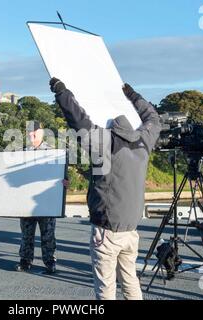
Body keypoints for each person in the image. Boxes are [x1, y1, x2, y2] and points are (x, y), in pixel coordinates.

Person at [49, 78, 161, 300]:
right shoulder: (143, 141)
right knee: (130, 280)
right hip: (131, 229)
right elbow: (153, 118)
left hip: (107, 229)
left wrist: (62, 93)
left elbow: (79, 122)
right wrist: (132, 94)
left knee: (105, 285)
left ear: (111, 127)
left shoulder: (106, 142)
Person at [15, 121, 67, 274]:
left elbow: (62, 176)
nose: (31, 134)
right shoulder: (21, 153)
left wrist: (65, 182)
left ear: (42, 132)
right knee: (26, 235)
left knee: (48, 235)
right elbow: (12, 178)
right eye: (29, 132)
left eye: (34, 131)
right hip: (26, 203)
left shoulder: (53, 153)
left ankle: (50, 261)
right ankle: (25, 261)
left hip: (47, 203)